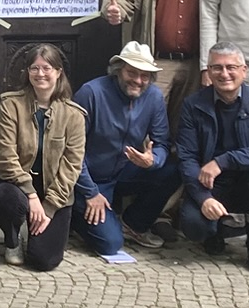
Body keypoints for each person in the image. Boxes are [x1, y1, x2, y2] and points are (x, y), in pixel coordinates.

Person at [174, 47, 249, 273]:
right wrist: (203, 199)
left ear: (244, 71)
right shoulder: (193, 105)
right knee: (194, 227)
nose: (224, 74)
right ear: (209, 72)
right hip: (211, 185)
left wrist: (222, 161)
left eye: (231, 67)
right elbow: (187, 158)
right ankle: (216, 232)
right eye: (217, 68)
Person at [0, 44, 86, 272]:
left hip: (54, 193)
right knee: (7, 199)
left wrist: (49, 207)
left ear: (59, 72)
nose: (40, 74)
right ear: (28, 72)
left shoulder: (74, 116)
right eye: (35, 68)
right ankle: (12, 239)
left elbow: (72, 166)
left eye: (47, 68)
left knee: (44, 261)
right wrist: (31, 195)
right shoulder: (11, 105)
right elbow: (5, 155)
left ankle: (34, 234)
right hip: (17, 188)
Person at [71, 42, 175, 256]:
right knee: (110, 244)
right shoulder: (91, 93)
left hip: (125, 170)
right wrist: (90, 193)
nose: (138, 80)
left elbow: (163, 142)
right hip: (88, 178)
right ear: (119, 69)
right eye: (132, 73)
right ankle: (75, 218)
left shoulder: (154, 97)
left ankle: (134, 224)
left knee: (172, 169)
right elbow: (70, 151)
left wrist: (153, 159)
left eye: (145, 75)